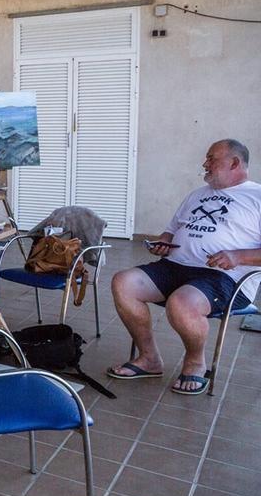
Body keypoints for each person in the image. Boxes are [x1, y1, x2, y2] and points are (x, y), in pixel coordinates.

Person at [108, 139, 261, 395]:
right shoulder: (197, 194)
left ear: (234, 162)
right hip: (175, 266)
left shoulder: (256, 197)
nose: (205, 164)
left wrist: (238, 256)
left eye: (212, 158)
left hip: (225, 277)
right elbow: (170, 232)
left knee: (181, 303)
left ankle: (195, 362)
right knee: (123, 282)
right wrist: (163, 244)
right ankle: (149, 359)